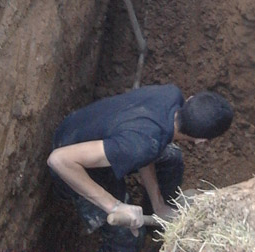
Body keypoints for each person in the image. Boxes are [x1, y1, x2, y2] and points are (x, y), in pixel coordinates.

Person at [48, 83, 234, 252]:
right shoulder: (144, 143)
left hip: (93, 133)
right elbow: (58, 160)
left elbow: (146, 145)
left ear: (191, 99)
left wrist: (158, 203)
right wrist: (115, 207)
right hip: (74, 166)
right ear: (202, 141)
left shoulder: (171, 96)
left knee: (172, 159)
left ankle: (157, 215)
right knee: (129, 239)